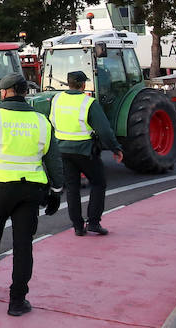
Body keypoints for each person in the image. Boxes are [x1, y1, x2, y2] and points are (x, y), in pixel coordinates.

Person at [0, 74, 64, 317]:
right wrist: (57, 191)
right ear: (24, 92)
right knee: (23, 246)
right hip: (30, 191)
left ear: (7, 92)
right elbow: (54, 161)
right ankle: (17, 301)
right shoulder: (42, 121)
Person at [51, 70, 124, 236]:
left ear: (68, 83)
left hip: (63, 150)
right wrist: (115, 148)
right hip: (85, 150)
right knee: (98, 183)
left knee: (72, 188)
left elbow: (53, 122)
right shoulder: (88, 103)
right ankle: (93, 222)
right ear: (83, 85)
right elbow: (104, 131)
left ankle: (77, 226)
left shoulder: (57, 99)